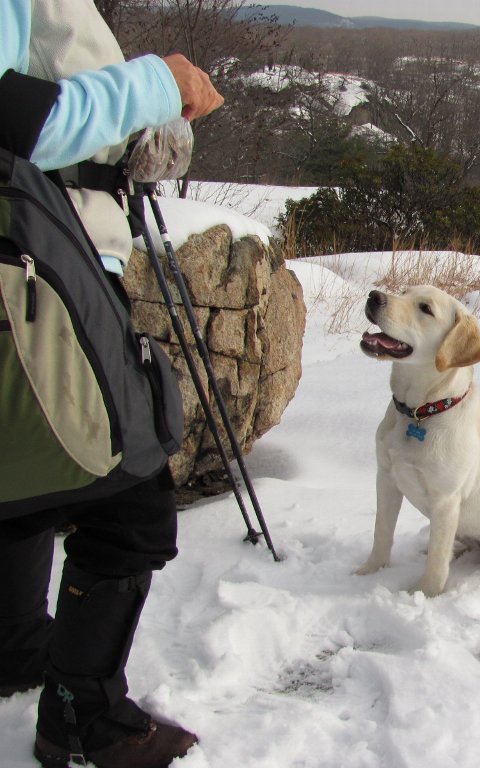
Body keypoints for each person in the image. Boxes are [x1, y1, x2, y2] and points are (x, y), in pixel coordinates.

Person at [0, 1, 223, 766]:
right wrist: (159, 83)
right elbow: (20, 121)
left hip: (38, 256)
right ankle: (79, 716)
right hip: (37, 262)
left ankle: (14, 653)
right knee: (132, 488)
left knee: (23, 458)